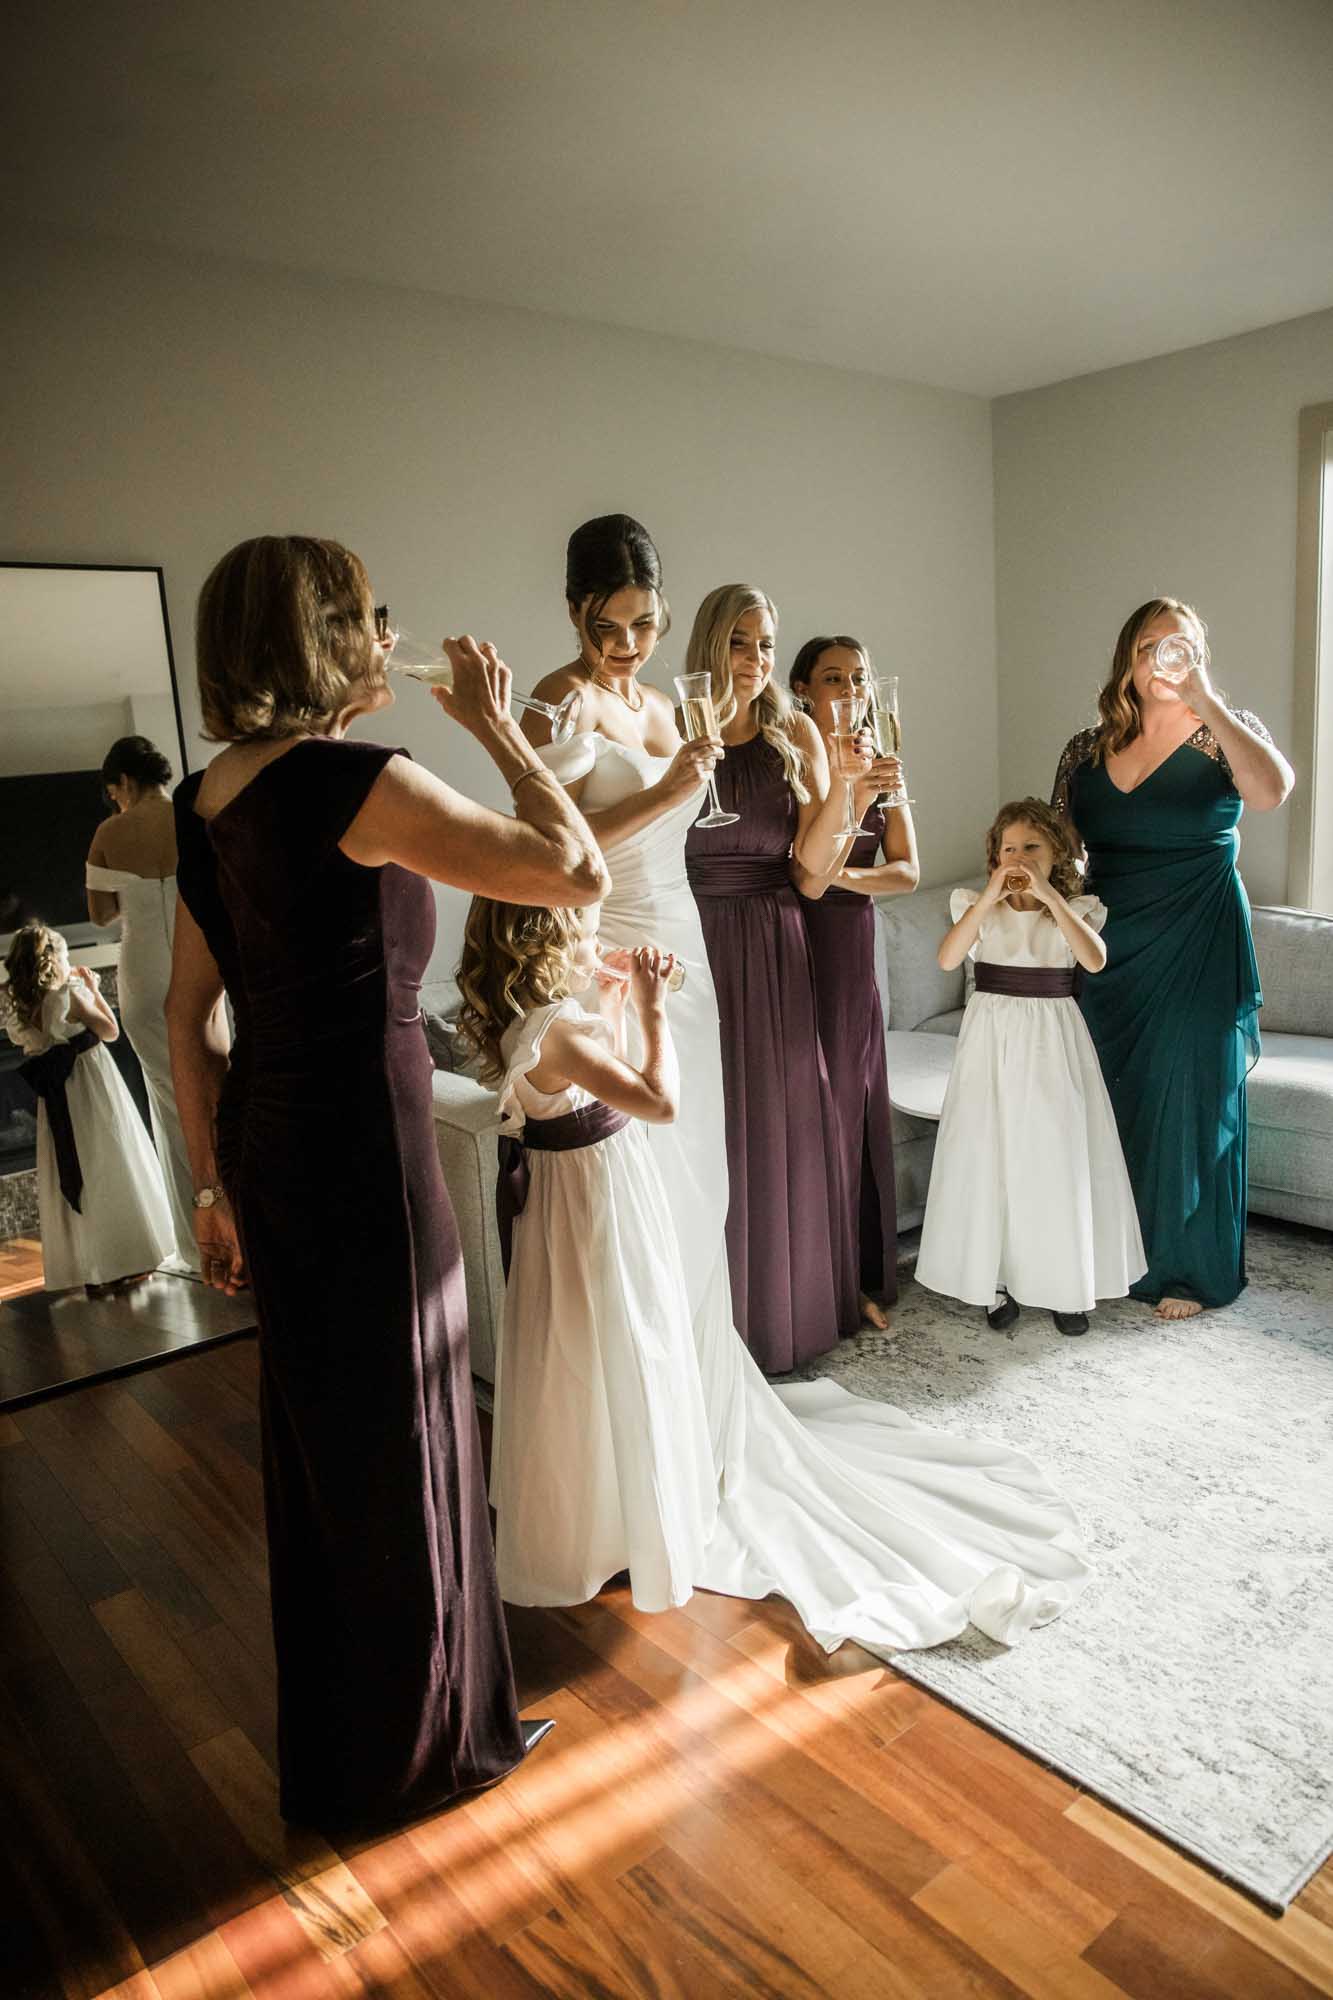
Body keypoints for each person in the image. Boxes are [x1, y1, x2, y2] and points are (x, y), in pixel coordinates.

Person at [524, 517, 1090, 1654]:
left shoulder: (737, 727)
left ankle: (721, 1373)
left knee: (721, 1172)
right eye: (612, 621)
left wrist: (846, 782)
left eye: (650, 621)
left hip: (725, 946)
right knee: (665, 1183)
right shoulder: (602, 709)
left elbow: (813, 864)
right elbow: (564, 840)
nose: (633, 640)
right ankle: (654, 1414)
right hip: (643, 951)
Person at [165, 534, 607, 1826]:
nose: (387, 630)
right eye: (367, 614)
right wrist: (501, 729)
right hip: (362, 1141)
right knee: (410, 1433)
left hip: (270, 1143)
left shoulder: (209, 798)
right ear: (319, 635)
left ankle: (382, 1734)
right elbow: (571, 873)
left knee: (332, 1450)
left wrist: (212, 1188)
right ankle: (423, 1755)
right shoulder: (359, 781)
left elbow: (188, 1015)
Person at [458, 900, 716, 1612]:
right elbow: (657, 1103)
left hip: (570, 1201)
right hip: (596, 1204)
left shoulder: (543, 1023)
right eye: (585, 928)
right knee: (630, 1342)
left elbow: (595, 1088)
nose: (597, 940)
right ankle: (628, 1525)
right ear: (545, 940)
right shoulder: (557, 1032)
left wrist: (612, 1002)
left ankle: (605, 1523)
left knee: (584, 1357)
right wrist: (654, 1006)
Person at [1052, 599, 1293, 1320]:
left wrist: (1207, 703)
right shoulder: (1084, 749)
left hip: (1199, 935)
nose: (1163, 658)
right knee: (1114, 1095)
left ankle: (1188, 1270)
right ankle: (1115, 1251)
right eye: (1150, 645)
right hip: (1109, 943)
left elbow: (1272, 792)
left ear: (1197, 656)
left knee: (1190, 1094)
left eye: (1179, 646)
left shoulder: (1224, 732)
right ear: (1127, 657)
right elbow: (1064, 845)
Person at [683, 587, 898, 1368]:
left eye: (767, 645)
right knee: (711, 1129)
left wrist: (845, 786)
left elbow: (811, 877)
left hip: (774, 942)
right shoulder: (671, 729)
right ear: (709, 646)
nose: (755, 660)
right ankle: (714, 1323)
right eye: (740, 643)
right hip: (692, 943)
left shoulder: (792, 732)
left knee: (781, 1124)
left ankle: (787, 1317)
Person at [914, 800, 1146, 1334]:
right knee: (993, 1154)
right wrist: (992, 895)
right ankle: (996, 1280)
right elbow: (949, 959)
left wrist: (1048, 899)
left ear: (1056, 854)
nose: (1019, 856)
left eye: (1032, 847)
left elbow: (1094, 960)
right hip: (990, 1040)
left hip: (1052, 1039)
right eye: (1008, 848)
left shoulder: (1078, 909)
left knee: (1053, 1156)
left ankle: (1063, 1283)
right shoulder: (976, 906)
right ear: (995, 858)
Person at [790, 636, 919, 1330]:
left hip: (850, 950)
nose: (847, 690)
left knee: (851, 1106)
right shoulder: (791, 762)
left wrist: (838, 878)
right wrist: (829, 874)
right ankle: (811, 1282)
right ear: (803, 689)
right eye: (832, 678)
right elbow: (795, 879)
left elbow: (906, 872)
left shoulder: (885, 767)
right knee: (806, 1114)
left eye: (858, 679)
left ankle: (860, 1277)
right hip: (795, 945)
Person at [2, 922, 173, 1292]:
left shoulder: (23, 1008)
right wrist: (94, 989)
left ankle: (89, 1263)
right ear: (53, 959)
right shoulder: (68, 993)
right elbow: (110, 1030)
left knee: (75, 1164)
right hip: (92, 1088)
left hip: (58, 1100)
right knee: (108, 1161)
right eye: (64, 955)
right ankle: (124, 1258)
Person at [86, 734, 198, 1270]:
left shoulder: (109, 832)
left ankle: (200, 1248)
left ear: (124, 782)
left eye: (115, 792)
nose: (116, 802)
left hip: (145, 976)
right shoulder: (193, 816)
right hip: (202, 970)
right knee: (213, 1091)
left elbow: (101, 915)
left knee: (171, 1104)